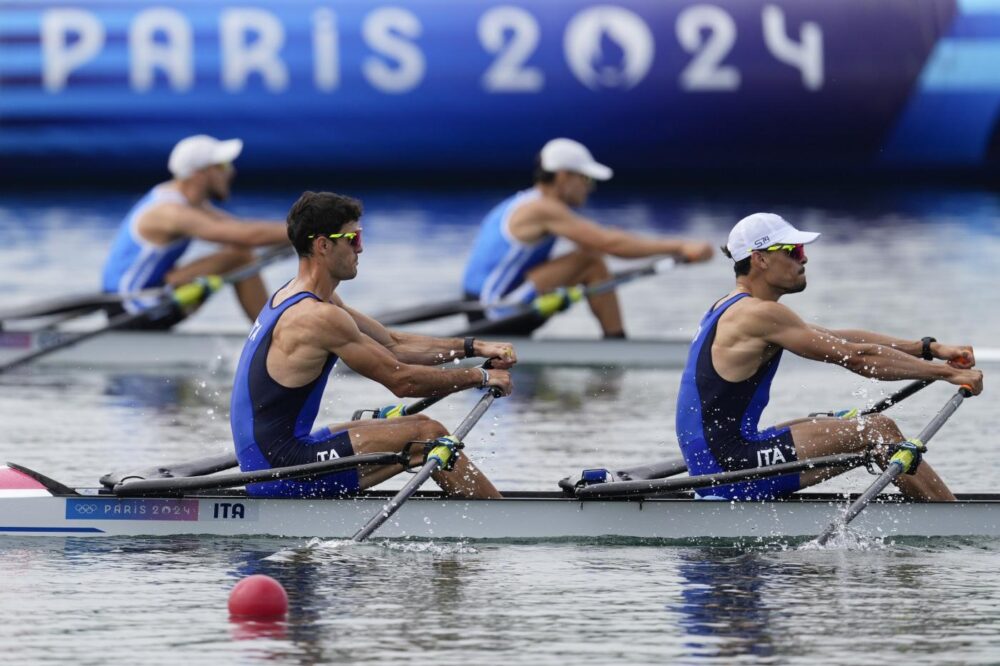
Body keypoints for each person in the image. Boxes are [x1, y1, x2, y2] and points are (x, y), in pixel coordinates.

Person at [675, 212, 983, 501]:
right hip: (727, 468)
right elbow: (857, 357)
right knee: (878, 431)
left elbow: (838, 339)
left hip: (718, 458)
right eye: (793, 251)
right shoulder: (758, 313)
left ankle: (941, 511)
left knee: (838, 422)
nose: (804, 258)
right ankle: (960, 524)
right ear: (760, 259)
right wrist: (949, 375)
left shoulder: (731, 306)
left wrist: (927, 349)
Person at [231, 191, 516, 499]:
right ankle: (503, 526)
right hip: (280, 468)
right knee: (428, 435)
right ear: (323, 245)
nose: (361, 248)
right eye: (352, 239)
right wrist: (481, 377)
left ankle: (487, 511)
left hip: (271, 455)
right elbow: (402, 380)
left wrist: (474, 347)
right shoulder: (316, 316)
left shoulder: (295, 293)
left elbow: (393, 343)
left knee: (417, 423)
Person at [461, 138, 714, 337]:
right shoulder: (542, 209)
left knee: (590, 258)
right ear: (562, 176)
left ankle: (615, 344)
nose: (590, 186)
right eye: (585, 178)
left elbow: (606, 238)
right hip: (494, 312)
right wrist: (680, 246)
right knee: (590, 260)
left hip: (485, 306)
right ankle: (617, 347)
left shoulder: (525, 201)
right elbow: (610, 243)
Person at [101, 135, 289, 328]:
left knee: (239, 252)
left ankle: (270, 333)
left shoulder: (185, 200)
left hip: (151, 295)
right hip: (132, 307)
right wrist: (308, 229)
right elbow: (250, 236)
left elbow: (241, 230)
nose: (231, 172)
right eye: (222, 166)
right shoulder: (170, 212)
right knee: (239, 258)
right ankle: (275, 336)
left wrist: (306, 236)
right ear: (199, 174)